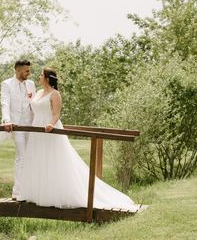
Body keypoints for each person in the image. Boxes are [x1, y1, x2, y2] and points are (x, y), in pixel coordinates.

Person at [18, 67, 138, 210]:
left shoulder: (55, 94)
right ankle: (36, 194)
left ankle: (57, 195)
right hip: (36, 130)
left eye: (41, 75)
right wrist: (30, 99)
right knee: (38, 159)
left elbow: (56, 113)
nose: (39, 76)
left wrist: (51, 124)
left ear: (48, 78)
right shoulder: (37, 93)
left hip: (49, 130)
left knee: (53, 160)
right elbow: (35, 108)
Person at [0, 59, 36, 200]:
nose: (29, 73)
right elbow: (5, 102)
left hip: (31, 125)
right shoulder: (6, 84)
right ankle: (18, 192)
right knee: (22, 156)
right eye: (26, 70)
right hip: (16, 125)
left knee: (31, 156)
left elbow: (34, 103)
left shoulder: (31, 84)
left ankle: (30, 189)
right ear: (18, 70)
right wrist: (7, 120)